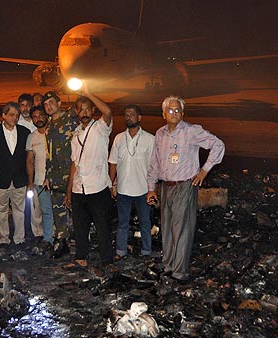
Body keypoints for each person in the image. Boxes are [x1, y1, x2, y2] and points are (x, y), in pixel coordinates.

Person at [146, 96, 225, 282]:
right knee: (167, 229)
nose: (174, 113)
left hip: (184, 186)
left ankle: (179, 272)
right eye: (170, 110)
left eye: (178, 110)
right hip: (166, 186)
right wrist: (151, 188)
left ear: (183, 113)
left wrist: (204, 171)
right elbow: (154, 162)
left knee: (181, 229)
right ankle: (168, 266)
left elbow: (218, 145)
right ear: (163, 113)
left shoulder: (191, 131)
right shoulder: (160, 134)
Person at [64, 84, 114, 268]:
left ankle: (107, 260)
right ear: (76, 112)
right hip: (79, 188)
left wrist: (88, 94)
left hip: (98, 187)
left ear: (92, 110)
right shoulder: (75, 134)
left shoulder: (101, 128)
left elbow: (108, 111)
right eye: (81, 109)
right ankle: (81, 258)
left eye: (87, 109)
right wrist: (69, 191)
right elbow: (74, 164)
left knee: (103, 227)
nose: (84, 112)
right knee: (80, 227)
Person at [109, 104, 155, 259]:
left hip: (143, 189)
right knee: (123, 223)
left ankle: (146, 251)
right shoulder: (119, 138)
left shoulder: (150, 139)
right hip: (123, 189)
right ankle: (120, 251)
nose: (128, 117)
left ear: (139, 117)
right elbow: (113, 163)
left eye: (132, 114)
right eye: (126, 114)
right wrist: (111, 183)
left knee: (145, 222)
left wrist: (152, 188)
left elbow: (154, 166)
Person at [0, 102, 32, 251]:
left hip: (19, 179)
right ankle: (3, 239)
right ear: (3, 115)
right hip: (0, 179)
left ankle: (19, 239)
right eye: (11, 114)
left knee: (20, 210)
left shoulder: (25, 132)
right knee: (1, 211)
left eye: (17, 115)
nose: (15, 118)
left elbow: (28, 156)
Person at [43, 90, 78, 258]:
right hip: (56, 176)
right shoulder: (50, 126)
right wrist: (47, 176)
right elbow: (49, 154)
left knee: (77, 209)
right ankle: (62, 242)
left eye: (51, 103)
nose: (48, 106)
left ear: (59, 103)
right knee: (58, 210)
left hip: (72, 174)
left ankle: (78, 242)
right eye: (45, 104)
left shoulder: (72, 121)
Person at [26, 106, 55, 248]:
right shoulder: (32, 137)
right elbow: (30, 161)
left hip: (56, 180)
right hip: (39, 181)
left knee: (60, 210)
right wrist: (30, 182)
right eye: (35, 116)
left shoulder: (54, 133)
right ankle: (48, 239)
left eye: (41, 115)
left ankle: (60, 237)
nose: (39, 118)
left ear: (46, 116)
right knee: (46, 210)